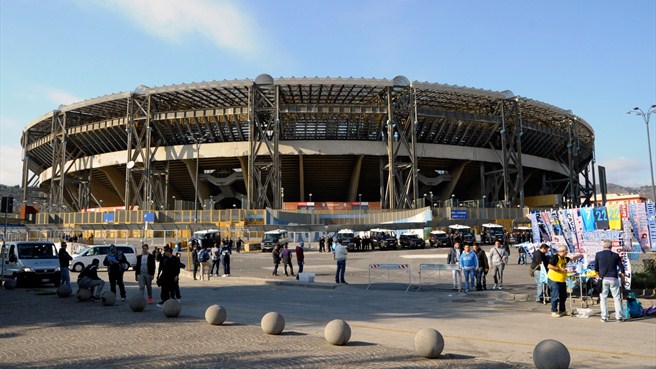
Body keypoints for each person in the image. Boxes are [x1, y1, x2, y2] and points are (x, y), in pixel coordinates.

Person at [547, 245, 583, 317]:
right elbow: (549, 266)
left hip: (562, 280)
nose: (566, 253)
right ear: (562, 252)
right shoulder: (555, 257)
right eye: (566, 252)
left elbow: (571, 258)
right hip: (554, 279)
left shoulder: (564, 258)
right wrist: (560, 269)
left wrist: (580, 255)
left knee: (563, 296)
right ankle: (554, 311)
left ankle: (562, 310)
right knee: (555, 296)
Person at [595, 239, 626, 322]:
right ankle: (618, 317)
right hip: (613, 278)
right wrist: (623, 277)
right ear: (611, 246)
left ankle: (604, 317)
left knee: (603, 298)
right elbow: (622, 268)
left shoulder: (598, 255)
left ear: (603, 246)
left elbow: (596, 268)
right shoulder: (616, 255)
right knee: (616, 298)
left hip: (603, 279)